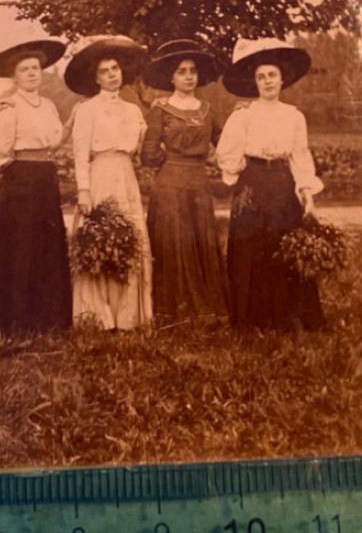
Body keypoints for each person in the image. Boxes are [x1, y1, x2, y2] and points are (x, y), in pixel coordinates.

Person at [216, 38, 327, 331]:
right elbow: (227, 154)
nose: (267, 82)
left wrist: (308, 198)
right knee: (250, 248)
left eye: (272, 76)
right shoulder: (243, 115)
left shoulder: (294, 116)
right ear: (255, 82)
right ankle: (253, 319)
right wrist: (241, 172)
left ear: (282, 79)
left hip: (282, 184)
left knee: (283, 246)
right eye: (261, 77)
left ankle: (286, 316)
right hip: (252, 184)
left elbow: (300, 158)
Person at [0, 38, 72, 335]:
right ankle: (16, 318)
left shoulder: (48, 105)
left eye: (36, 68)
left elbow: (56, 139)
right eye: (25, 69)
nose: (32, 73)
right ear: (14, 76)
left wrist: (71, 123)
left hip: (46, 177)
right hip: (20, 178)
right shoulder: (9, 106)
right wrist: (15, 164)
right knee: (20, 247)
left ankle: (48, 317)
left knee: (46, 244)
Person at [63, 35, 152, 330]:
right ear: (96, 78)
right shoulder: (87, 110)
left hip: (125, 176)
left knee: (128, 237)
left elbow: (147, 149)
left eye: (115, 69)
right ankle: (98, 316)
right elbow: (79, 154)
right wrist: (84, 191)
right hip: (99, 174)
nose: (112, 75)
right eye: (105, 71)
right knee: (99, 238)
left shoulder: (133, 111)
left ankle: (128, 317)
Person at [140, 39, 230, 324]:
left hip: (199, 185)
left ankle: (205, 310)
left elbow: (225, 142)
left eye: (192, 71)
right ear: (171, 77)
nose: (189, 76)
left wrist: (245, 115)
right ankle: (172, 311)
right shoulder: (160, 109)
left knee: (200, 239)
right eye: (181, 71)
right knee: (174, 242)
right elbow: (149, 154)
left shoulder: (206, 109)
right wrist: (171, 158)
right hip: (170, 185)